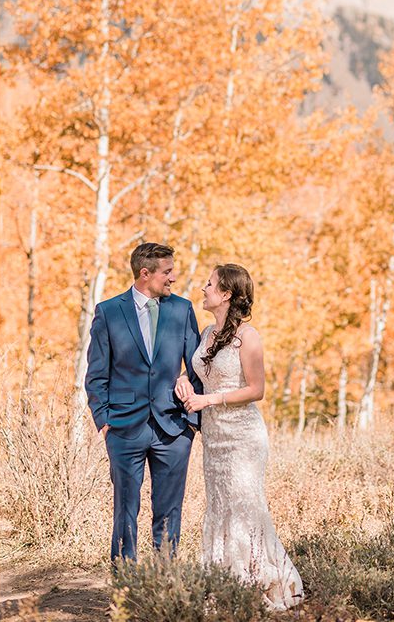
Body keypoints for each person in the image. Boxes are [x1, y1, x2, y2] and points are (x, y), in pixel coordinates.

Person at [180, 263, 303, 610]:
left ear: (226, 294)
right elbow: (199, 373)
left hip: (243, 437)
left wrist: (209, 399)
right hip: (214, 438)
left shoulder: (248, 337)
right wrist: (187, 382)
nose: (203, 289)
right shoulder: (206, 333)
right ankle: (223, 584)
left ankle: (257, 581)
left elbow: (256, 389)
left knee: (244, 508)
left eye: (209, 284)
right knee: (219, 507)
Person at [84, 242, 202, 563]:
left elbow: (197, 368)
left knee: (169, 511)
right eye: (167, 272)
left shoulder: (182, 309)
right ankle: (125, 581)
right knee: (125, 509)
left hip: (174, 429)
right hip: (123, 428)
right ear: (145, 273)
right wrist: (105, 424)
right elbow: (96, 375)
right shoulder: (108, 311)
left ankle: (165, 579)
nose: (173, 279)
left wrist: (192, 423)